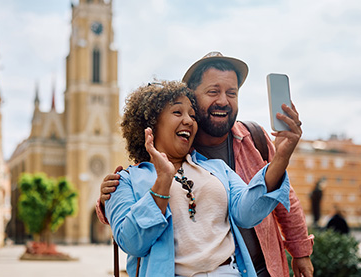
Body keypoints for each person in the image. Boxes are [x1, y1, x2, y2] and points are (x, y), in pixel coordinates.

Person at [97, 52, 314, 277]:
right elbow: (129, 236)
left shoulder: (225, 161)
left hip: (257, 267)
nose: (223, 100)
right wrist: (113, 198)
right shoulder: (133, 177)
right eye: (213, 91)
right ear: (152, 123)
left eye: (232, 93)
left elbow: (266, 205)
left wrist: (281, 158)